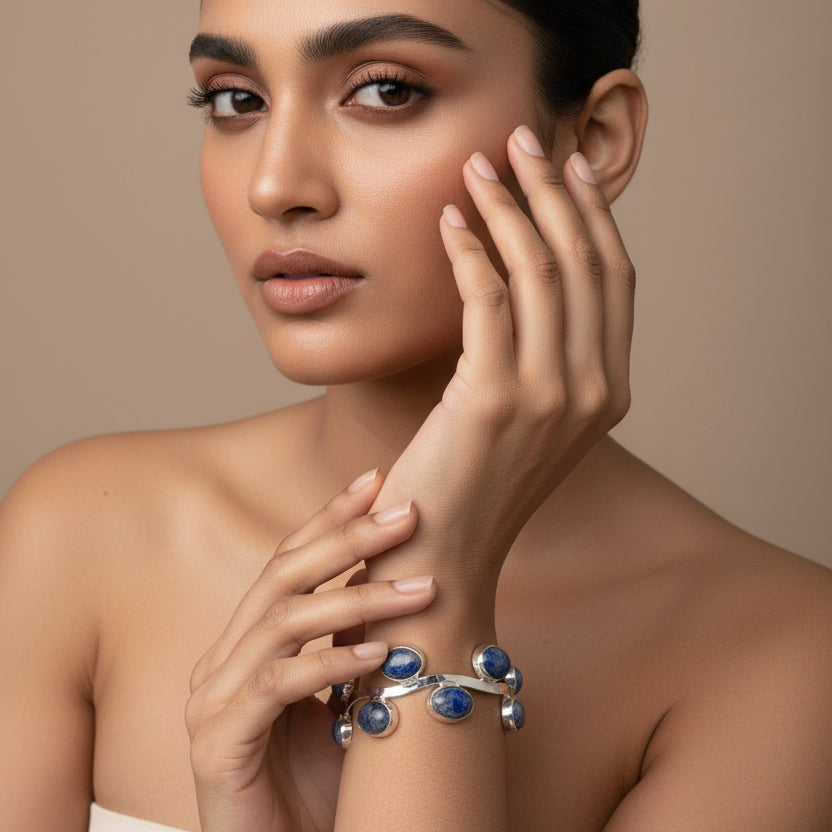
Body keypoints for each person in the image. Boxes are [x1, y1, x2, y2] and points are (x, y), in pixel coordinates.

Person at [1, 0, 830, 830]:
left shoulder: (784, 656)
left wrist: (435, 586)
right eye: (236, 100)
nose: (275, 184)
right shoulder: (82, 533)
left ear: (596, 138)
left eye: (387, 91)